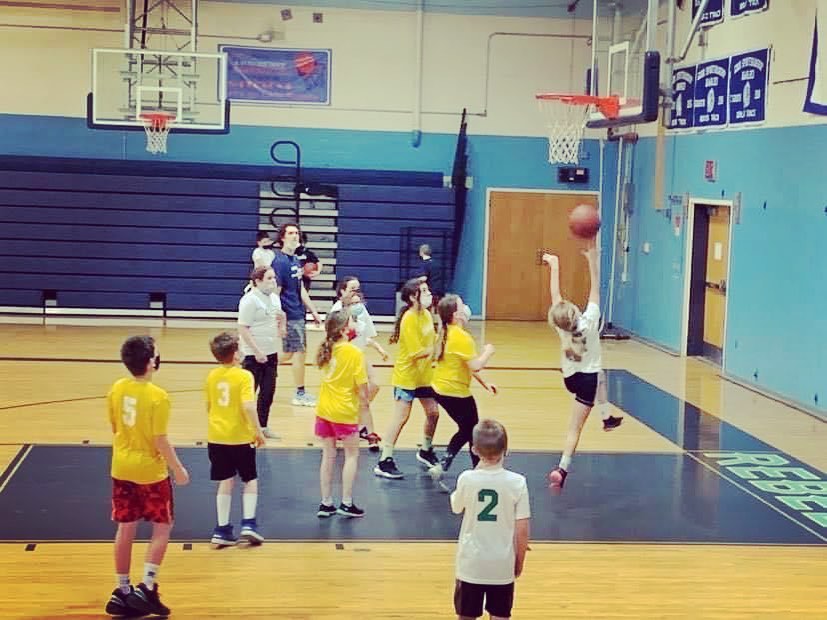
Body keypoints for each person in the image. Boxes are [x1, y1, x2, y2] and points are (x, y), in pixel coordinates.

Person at [105, 336, 189, 618]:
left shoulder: (117, 387)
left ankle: (123, 590)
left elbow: (115, 425)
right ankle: (148, 586)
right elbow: (160, 440)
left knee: (125, 527)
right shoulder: (157, 396)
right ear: (152, 362)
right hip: (150, 472)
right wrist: (177, 468)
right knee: (162, 526)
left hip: (121, 466)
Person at [542, 245, 622, 493]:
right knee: (574, 429)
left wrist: (554, 266)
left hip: (571, 379)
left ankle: (607, 417)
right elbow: (595, 287)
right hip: (587, 380)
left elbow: (556, 298)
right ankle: (562, 469)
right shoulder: (590, 320)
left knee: (601, 376)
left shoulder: (562, 327)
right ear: (576, 311)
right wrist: (591, 260)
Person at [450, 419, 530, 620]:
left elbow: (456, 507)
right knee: (500, 615)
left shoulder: (467, 478)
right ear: (506, 449)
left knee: (466, 615)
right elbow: (522, 530)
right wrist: (519, 561)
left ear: (474, 450)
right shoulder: (518, 482)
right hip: (501, 564)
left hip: (471, 564)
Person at [205, 331, 267, 547]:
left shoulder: (212, 376)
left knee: (226, 480)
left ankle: (222, 529)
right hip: (240, 437)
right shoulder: (244, 376)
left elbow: (209, 406)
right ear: (235, 354)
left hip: (216, 437)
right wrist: (258, 431)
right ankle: (249, 523)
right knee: (250, 479)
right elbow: (249, 406)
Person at [374, 278, 440, 479]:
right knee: (401, 417)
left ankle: (426, 450)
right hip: (407, 376)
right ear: (413, 297)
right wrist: (437, 350)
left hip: (425, 376)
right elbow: (414, 353)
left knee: (433, 413)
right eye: (424, 291)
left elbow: (432, 341)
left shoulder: (427, 315)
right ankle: (385, 460)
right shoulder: (409, 319)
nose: (428, 294)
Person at [428, 294, 497, 481]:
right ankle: (475, 469)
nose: (465, 308)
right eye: (461, 306)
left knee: (467, 428)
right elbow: (475, 365)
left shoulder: (445, 332)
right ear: (456, 314)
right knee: (471, 429)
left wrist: (484, 383)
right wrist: (488, 352)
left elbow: (465, 365)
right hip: (456, 393)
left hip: (440, 390)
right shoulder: (462, 337)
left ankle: (445, 464)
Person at [314, 310, 370, 518]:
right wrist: (364, 412)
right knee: (351, 455)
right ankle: (346, 503)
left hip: (324, 410)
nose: (355, 323)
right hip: (344, 411)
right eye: (352, 320)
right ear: (345, 329)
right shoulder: (354, 353)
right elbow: (362, 388)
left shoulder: (328, 349)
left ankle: (326, 502)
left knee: (328, 456)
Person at [330, 276, 387, 451]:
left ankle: (354, 420)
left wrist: (378, 348)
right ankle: (361, 429)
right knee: (356, 396)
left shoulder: (360, 308)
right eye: (351, 289)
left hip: (360, 355)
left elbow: (365, 335)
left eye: (357, 289)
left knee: (374, 386)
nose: (356, 292)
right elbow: (332, 340)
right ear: (342, 292)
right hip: (344, 360)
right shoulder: (337, 312)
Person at [272, 222, 323, 407]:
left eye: (297, 233)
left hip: (298, 313)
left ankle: (256, 364)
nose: (295, 236)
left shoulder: (295, 261)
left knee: (289, 353)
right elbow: (275, 292)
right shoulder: (279, 262)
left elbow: (300, 288)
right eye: (291, 233)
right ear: (283, 237)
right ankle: (299, 393)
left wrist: (314, 311)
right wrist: (279, 319)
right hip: (288, 314)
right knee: (298, 352)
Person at [237, 266, 285, 439]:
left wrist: (281, 326)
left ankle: (263, 426)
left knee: (267, 392)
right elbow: (243, 328)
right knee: (248, 393)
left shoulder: (274, 299)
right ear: (258, 281)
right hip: (252, 355)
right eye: (269, 278)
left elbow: (278, 317)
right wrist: (257, 351)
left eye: (274, 278)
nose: (273, 282)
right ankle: (243, 426)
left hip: (271, 354)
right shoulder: (250, 300)